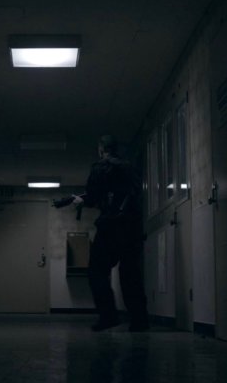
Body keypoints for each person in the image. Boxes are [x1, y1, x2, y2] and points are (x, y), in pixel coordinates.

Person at [73, 135, 149, 331]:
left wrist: (82, 201)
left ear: (101, 149)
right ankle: (139, 321)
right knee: (130, 273)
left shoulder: (100, 167)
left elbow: (93, 196)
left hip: (111, 226)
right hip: (132, 227)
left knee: (97, 271)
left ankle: (108, 316)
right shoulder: (130, 167)